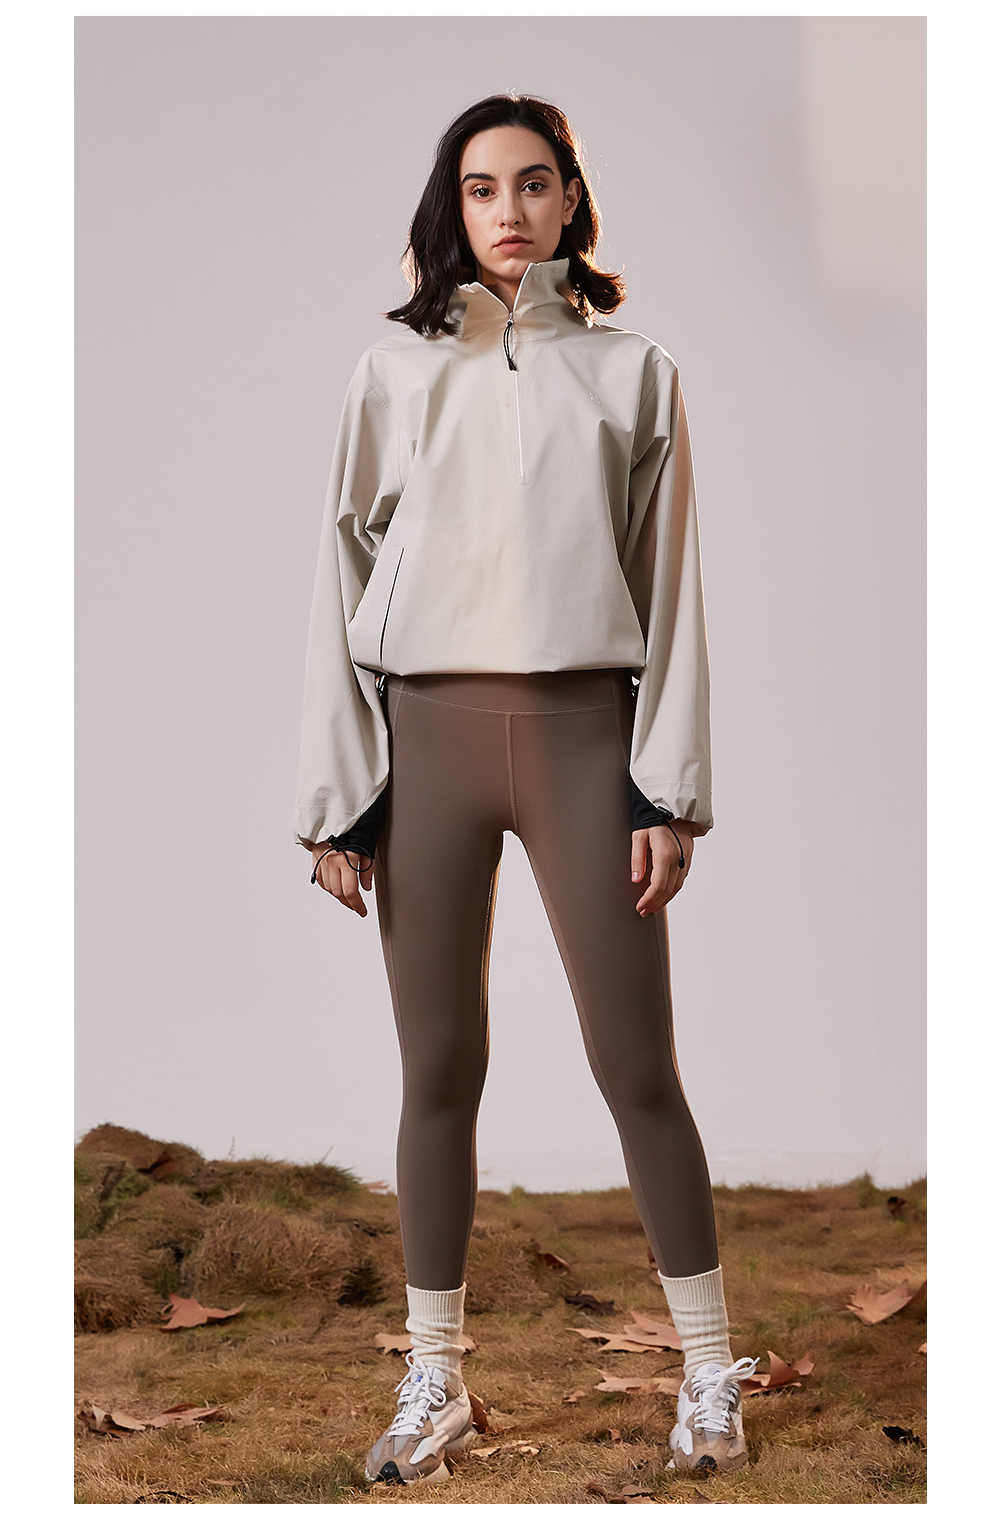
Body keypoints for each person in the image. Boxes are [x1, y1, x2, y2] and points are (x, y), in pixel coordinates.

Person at [294, 93, 757, 1487]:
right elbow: (338, 572)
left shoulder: (633, 373)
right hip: (425, 741)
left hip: (580, 740)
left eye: (535, 183)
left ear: (570, 202)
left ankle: (707, 1373)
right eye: (483, 187)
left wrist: (668, 792)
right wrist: (338, 793)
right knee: (437, 1067)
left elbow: (672, 588)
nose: (510, 210)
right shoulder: (392, 372)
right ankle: (434, 1383)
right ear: (454, 206)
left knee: (636, 1067)